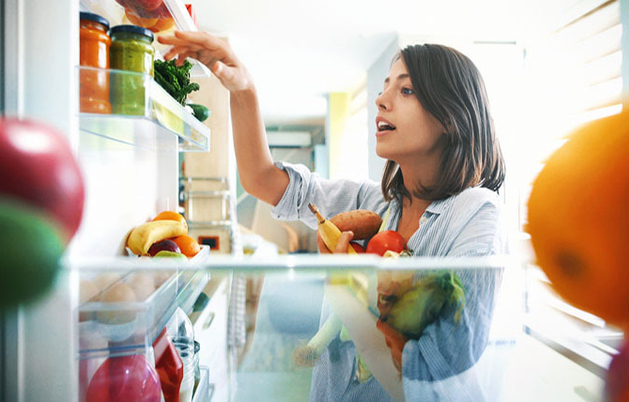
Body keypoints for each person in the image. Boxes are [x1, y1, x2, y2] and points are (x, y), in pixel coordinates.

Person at [159, 31, 508, 401]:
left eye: (405, 90)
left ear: (451, 116)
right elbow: (262, 180)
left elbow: (427, 382)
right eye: (385, 86)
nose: (380, 99)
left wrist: (343, 290)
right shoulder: (374, 203)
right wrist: (243, 89)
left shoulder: (476, 214)